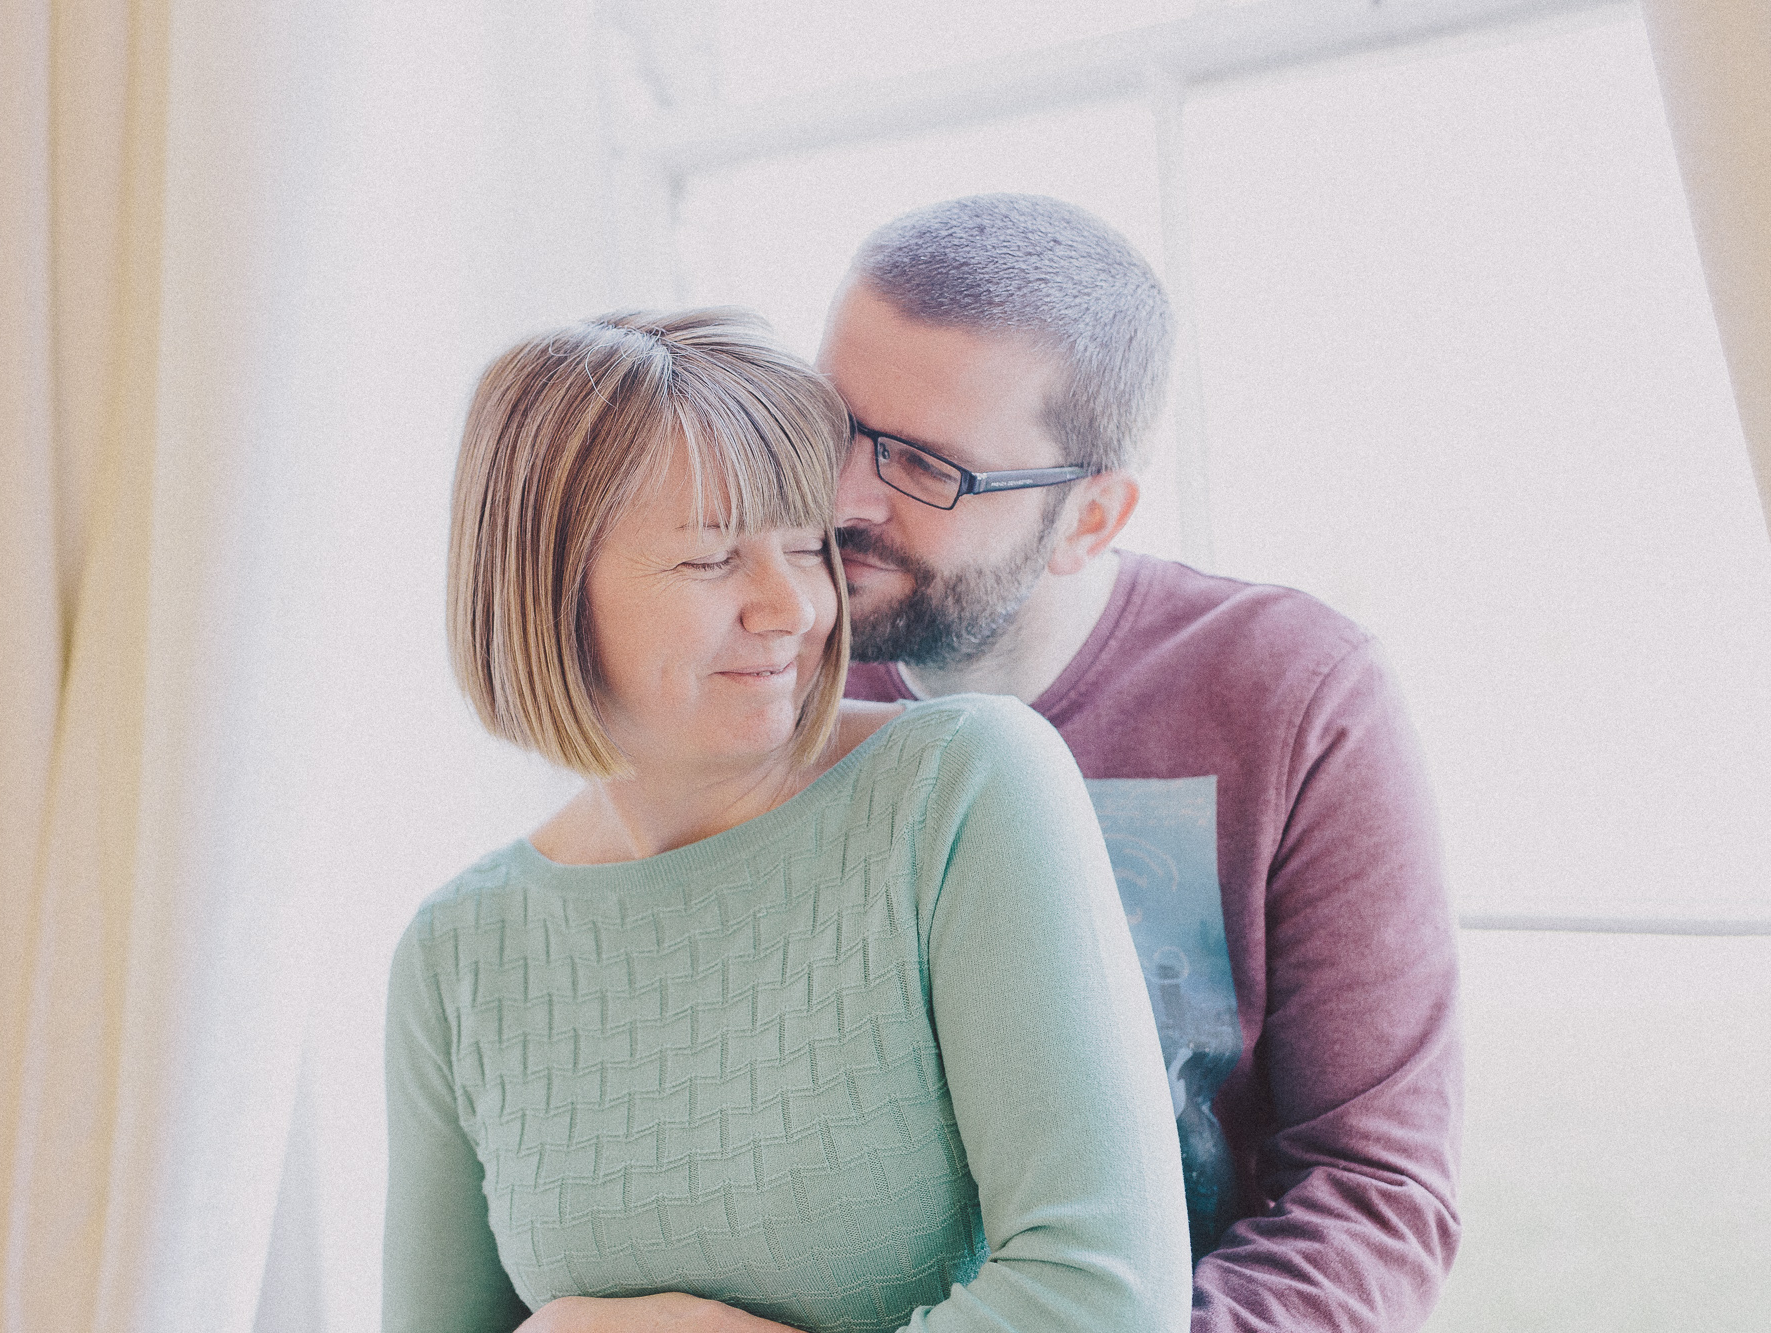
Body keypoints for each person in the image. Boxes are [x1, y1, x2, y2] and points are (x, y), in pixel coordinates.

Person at [383, 308, 1191, 1333]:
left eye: (807, 544)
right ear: (542, 586)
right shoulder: (456, 953)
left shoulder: (961, 788)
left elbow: (1102, 1303)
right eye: (712, 560)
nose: (794, 607)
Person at [822, 195, 1462, 1332]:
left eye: (923, 466)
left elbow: (1372, 1192)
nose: (841, 500)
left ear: (1089, 516)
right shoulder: (771, 678)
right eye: (827, 422)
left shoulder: (1292, 695)